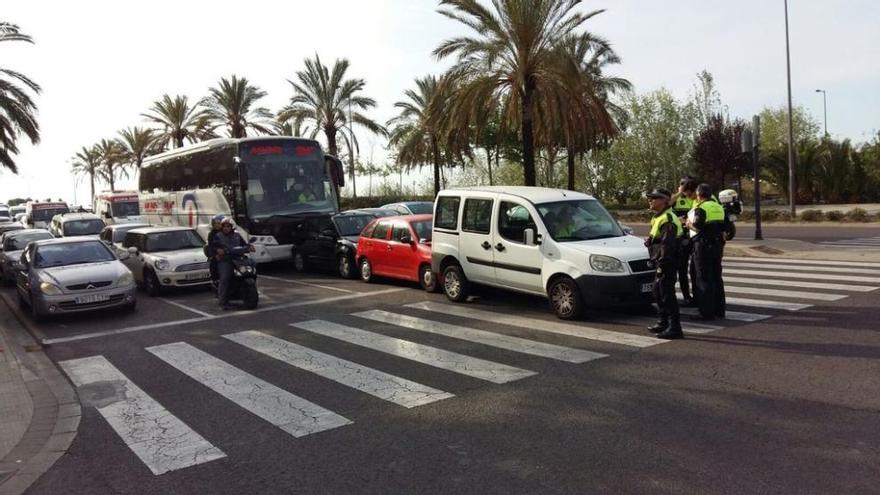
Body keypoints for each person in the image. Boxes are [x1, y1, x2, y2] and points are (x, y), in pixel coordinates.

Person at [645, 188, 684, 339]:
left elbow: (668, 246)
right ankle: (663, 322)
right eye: (650, 197)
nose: (650, 200)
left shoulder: (668, 218)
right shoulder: (657, 217)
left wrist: (662, 264)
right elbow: (658, 239)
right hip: (660, 260)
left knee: (667, 294)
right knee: (658, 292)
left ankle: (675, 328)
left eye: (654, 198)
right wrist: (650, 242)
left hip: (667, 262)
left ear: (664, 201)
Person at [686, 183, 726, 320]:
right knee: (716, 278)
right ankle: (720, 310)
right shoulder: (719, 207)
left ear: (698, 195)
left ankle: (706, 312)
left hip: (702, 246)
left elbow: (697, 227)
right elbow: (726, 228)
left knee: (703, 279)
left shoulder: (700, 208)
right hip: (717, 245)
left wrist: (687, 224)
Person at [213, 217, 251, 310]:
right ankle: (222, 301)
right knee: (225, 277)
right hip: (226, 260)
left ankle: (250, 293)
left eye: (228, 226)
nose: (226, 228)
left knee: (251, 268)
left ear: (232, 227)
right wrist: (218, 250)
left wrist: (249, 247)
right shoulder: (218, 236)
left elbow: (244, 245)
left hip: (238, 258)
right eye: (224, 226)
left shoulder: (237, 235)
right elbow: (213, 247)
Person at [672, 177, 698, 306]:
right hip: (681, 237)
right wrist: (678, 193)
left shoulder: (694, 197)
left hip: (694, 236)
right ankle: (687, 296)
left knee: (695, 268)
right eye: (681, 185)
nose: (683, 188)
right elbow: (666, 203)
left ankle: (697, 296)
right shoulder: (677, 198)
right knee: (682, 268)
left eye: (685, 186)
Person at [206, 214, 225, 286]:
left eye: (219, 223)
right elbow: (210, 246)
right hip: (218, 254)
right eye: (215, 223)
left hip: (228, 253)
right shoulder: (211, 234)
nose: (217, 225)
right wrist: (214, 254)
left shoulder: (227, 232)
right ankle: (216, 280)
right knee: (213, 263)